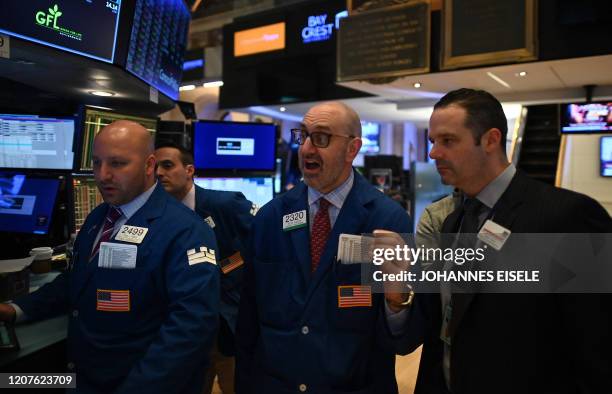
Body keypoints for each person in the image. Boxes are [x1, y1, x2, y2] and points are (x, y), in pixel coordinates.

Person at [408, 88, 612, 394]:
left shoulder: (567, 216)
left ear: (490, 140)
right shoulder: (453, 221)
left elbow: (599, 347)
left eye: (448, 141)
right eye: (432, 142)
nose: (434, 153)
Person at [0, 120, 220, 394]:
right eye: (96, 163)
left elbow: (191, 328)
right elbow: (77, 279)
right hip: (86, 378)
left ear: (149, 165)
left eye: (117, 164)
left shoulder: (186, 231)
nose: (102, 175)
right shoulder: (99, 217)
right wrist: (17, 309)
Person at [235, 101, 423, 394]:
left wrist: (396, 300)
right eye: (303, 136)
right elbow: (248, 320)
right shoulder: (270, 218)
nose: (307, 148)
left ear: (352, 149)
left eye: (321, 138)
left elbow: (401, 339)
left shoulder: (388, 220)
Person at [155, 141, 256, 394]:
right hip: (184, 331)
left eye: (167, 165)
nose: (159, 173)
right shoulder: (155, 215)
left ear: (189, 170)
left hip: (227, 326)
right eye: (155, 167)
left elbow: (266, 241)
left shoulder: (224, 204)